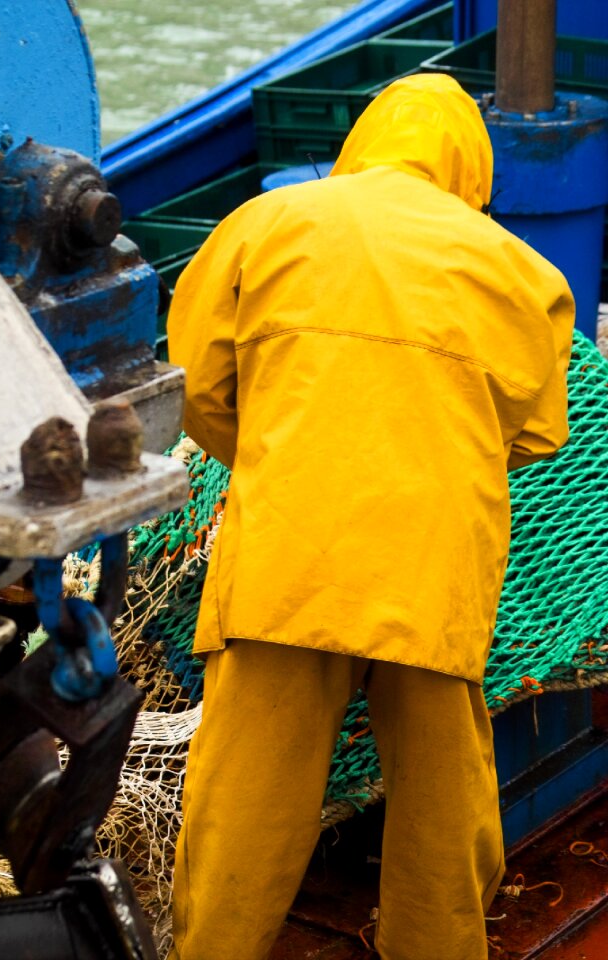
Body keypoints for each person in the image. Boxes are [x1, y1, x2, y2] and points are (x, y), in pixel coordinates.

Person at [166, 73, 574, 960]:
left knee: (244, 803)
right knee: (441, 809)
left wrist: (281, 454)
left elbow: (198, 389)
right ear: (472, 166)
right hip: (429, 570)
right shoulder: (523, 273)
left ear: (361, 142)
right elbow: (536, 433)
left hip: (286, 554)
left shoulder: (263, 226)